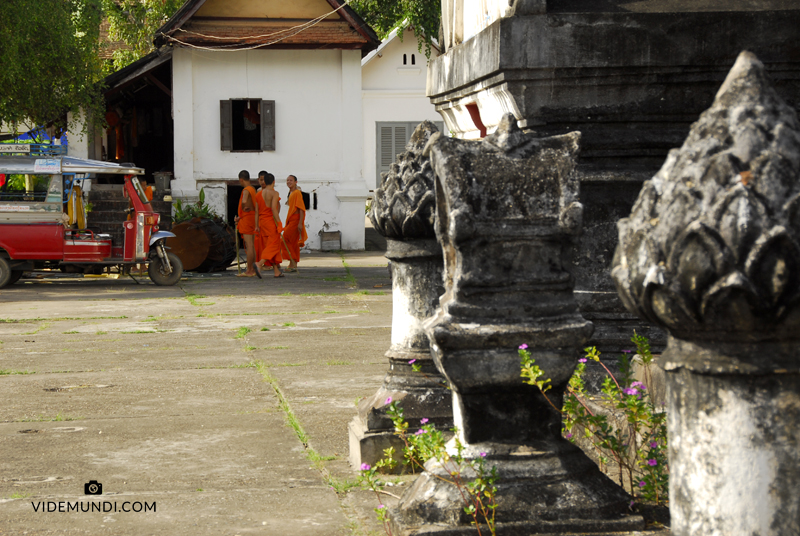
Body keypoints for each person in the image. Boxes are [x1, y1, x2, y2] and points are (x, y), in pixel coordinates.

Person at [255, 173, 284, 278]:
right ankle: (259, 263)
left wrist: (256, 225)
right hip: (271, 222)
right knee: (274, 245)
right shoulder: (274, 193)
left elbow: (257, 211)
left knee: (269, 246)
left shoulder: (258, 194)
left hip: (262, 222)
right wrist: (279, 223)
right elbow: (274, 209)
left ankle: (276, 271)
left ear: (264, 182)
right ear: (273, 182)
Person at [234, 170, 260, 278]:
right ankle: (252, 269)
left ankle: (249, 270)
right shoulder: (253, 189)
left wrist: (243, 209)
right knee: (252, 246)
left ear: (241, 180)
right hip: (253, 217)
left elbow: (244, 200)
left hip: (246, 218)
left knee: (249, 246)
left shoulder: (245, 190)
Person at [281, 174, 307, 273]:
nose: (289, 182)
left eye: (291, 180)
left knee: (284, 240)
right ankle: (293, 265)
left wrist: (300, 223)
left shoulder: (297, 193)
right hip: (292, 220)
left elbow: (301, 209)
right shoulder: (291, 193)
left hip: (296, 221)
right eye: (287, 180)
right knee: (293, 242)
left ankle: (292, 260)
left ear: (296, 182)